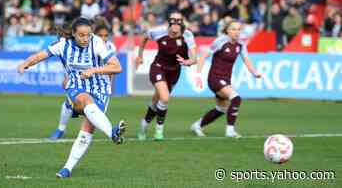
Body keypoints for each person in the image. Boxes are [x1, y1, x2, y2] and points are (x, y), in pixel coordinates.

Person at [17, 17, 125, 178]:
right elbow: (41, 55)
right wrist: (25, 63)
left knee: (87, 130)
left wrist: (94, 71)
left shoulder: (97, 43)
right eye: (81, 35)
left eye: (88, 35)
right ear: (73, 34)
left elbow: (117, 67)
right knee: (84, 100)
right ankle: (112, 132)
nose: (85, 39)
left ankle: (67, 169)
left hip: (100, 88)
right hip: (77, 85)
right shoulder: (63, 45)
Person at [190, 20, 261, 138]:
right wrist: (198, 75)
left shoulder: (241, 44)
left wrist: (254, 72)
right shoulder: (220, 41)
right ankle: (230, 131)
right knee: (236, 98)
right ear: (227, 31)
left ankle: (197, 125)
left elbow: (247, 60)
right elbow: (203, 56)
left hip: (226, 79)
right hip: (215, 78)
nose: (236, 32)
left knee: (222, 108)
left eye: (239, 29)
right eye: (233, 29)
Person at [49, 17, 117, 140]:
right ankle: (60, 129)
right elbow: (72, 63)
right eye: (101, 35)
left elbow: (112, 67)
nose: (103, 38)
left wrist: (110, 82)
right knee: (70, 103)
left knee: (89, 110)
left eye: (106, 35)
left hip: (99, 83)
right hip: (81, 80)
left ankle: (105, 132)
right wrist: (67, 76)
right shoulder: (79, 43)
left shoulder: (106, 46)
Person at [135, 12, 197, 141]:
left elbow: (194, 56)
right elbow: (144, 38)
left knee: (156, 100)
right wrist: (140, 55)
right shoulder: (158, 32)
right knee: (165, 97)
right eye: (173, 20)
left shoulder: (188, 35)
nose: (175, 24)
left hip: (174, 72)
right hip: (158, 67)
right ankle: (159, 130)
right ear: (169, 22)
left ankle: (144, 124)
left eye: (179, 21)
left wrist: (189, 61)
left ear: (182, 23)